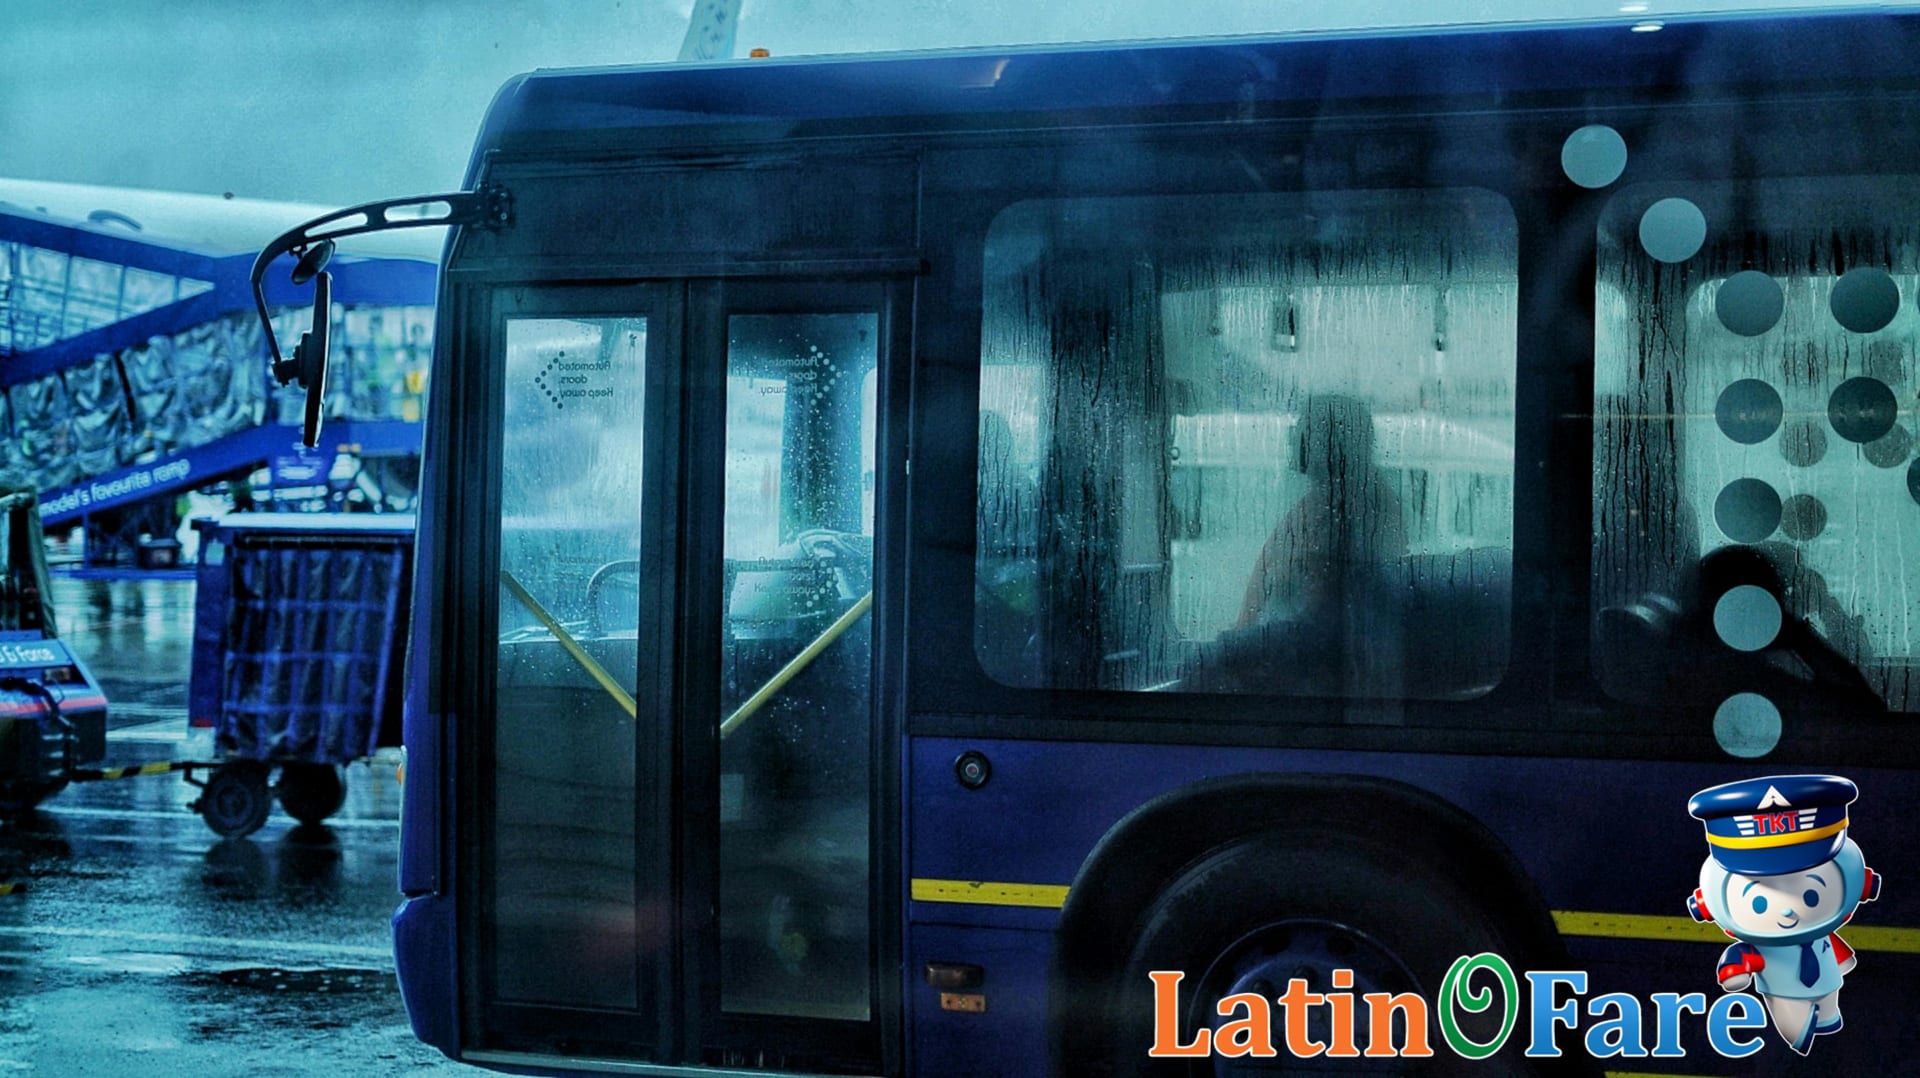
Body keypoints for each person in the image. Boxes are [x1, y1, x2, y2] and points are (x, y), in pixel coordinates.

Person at [1222, 394, 1408, 697]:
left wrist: (1238, 650)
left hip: (1300, 677)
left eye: (1303, 429)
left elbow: (1316, 618)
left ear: (1328, 441)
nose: (1293, 437)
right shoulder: (1331, 502)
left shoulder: (1346, 510)